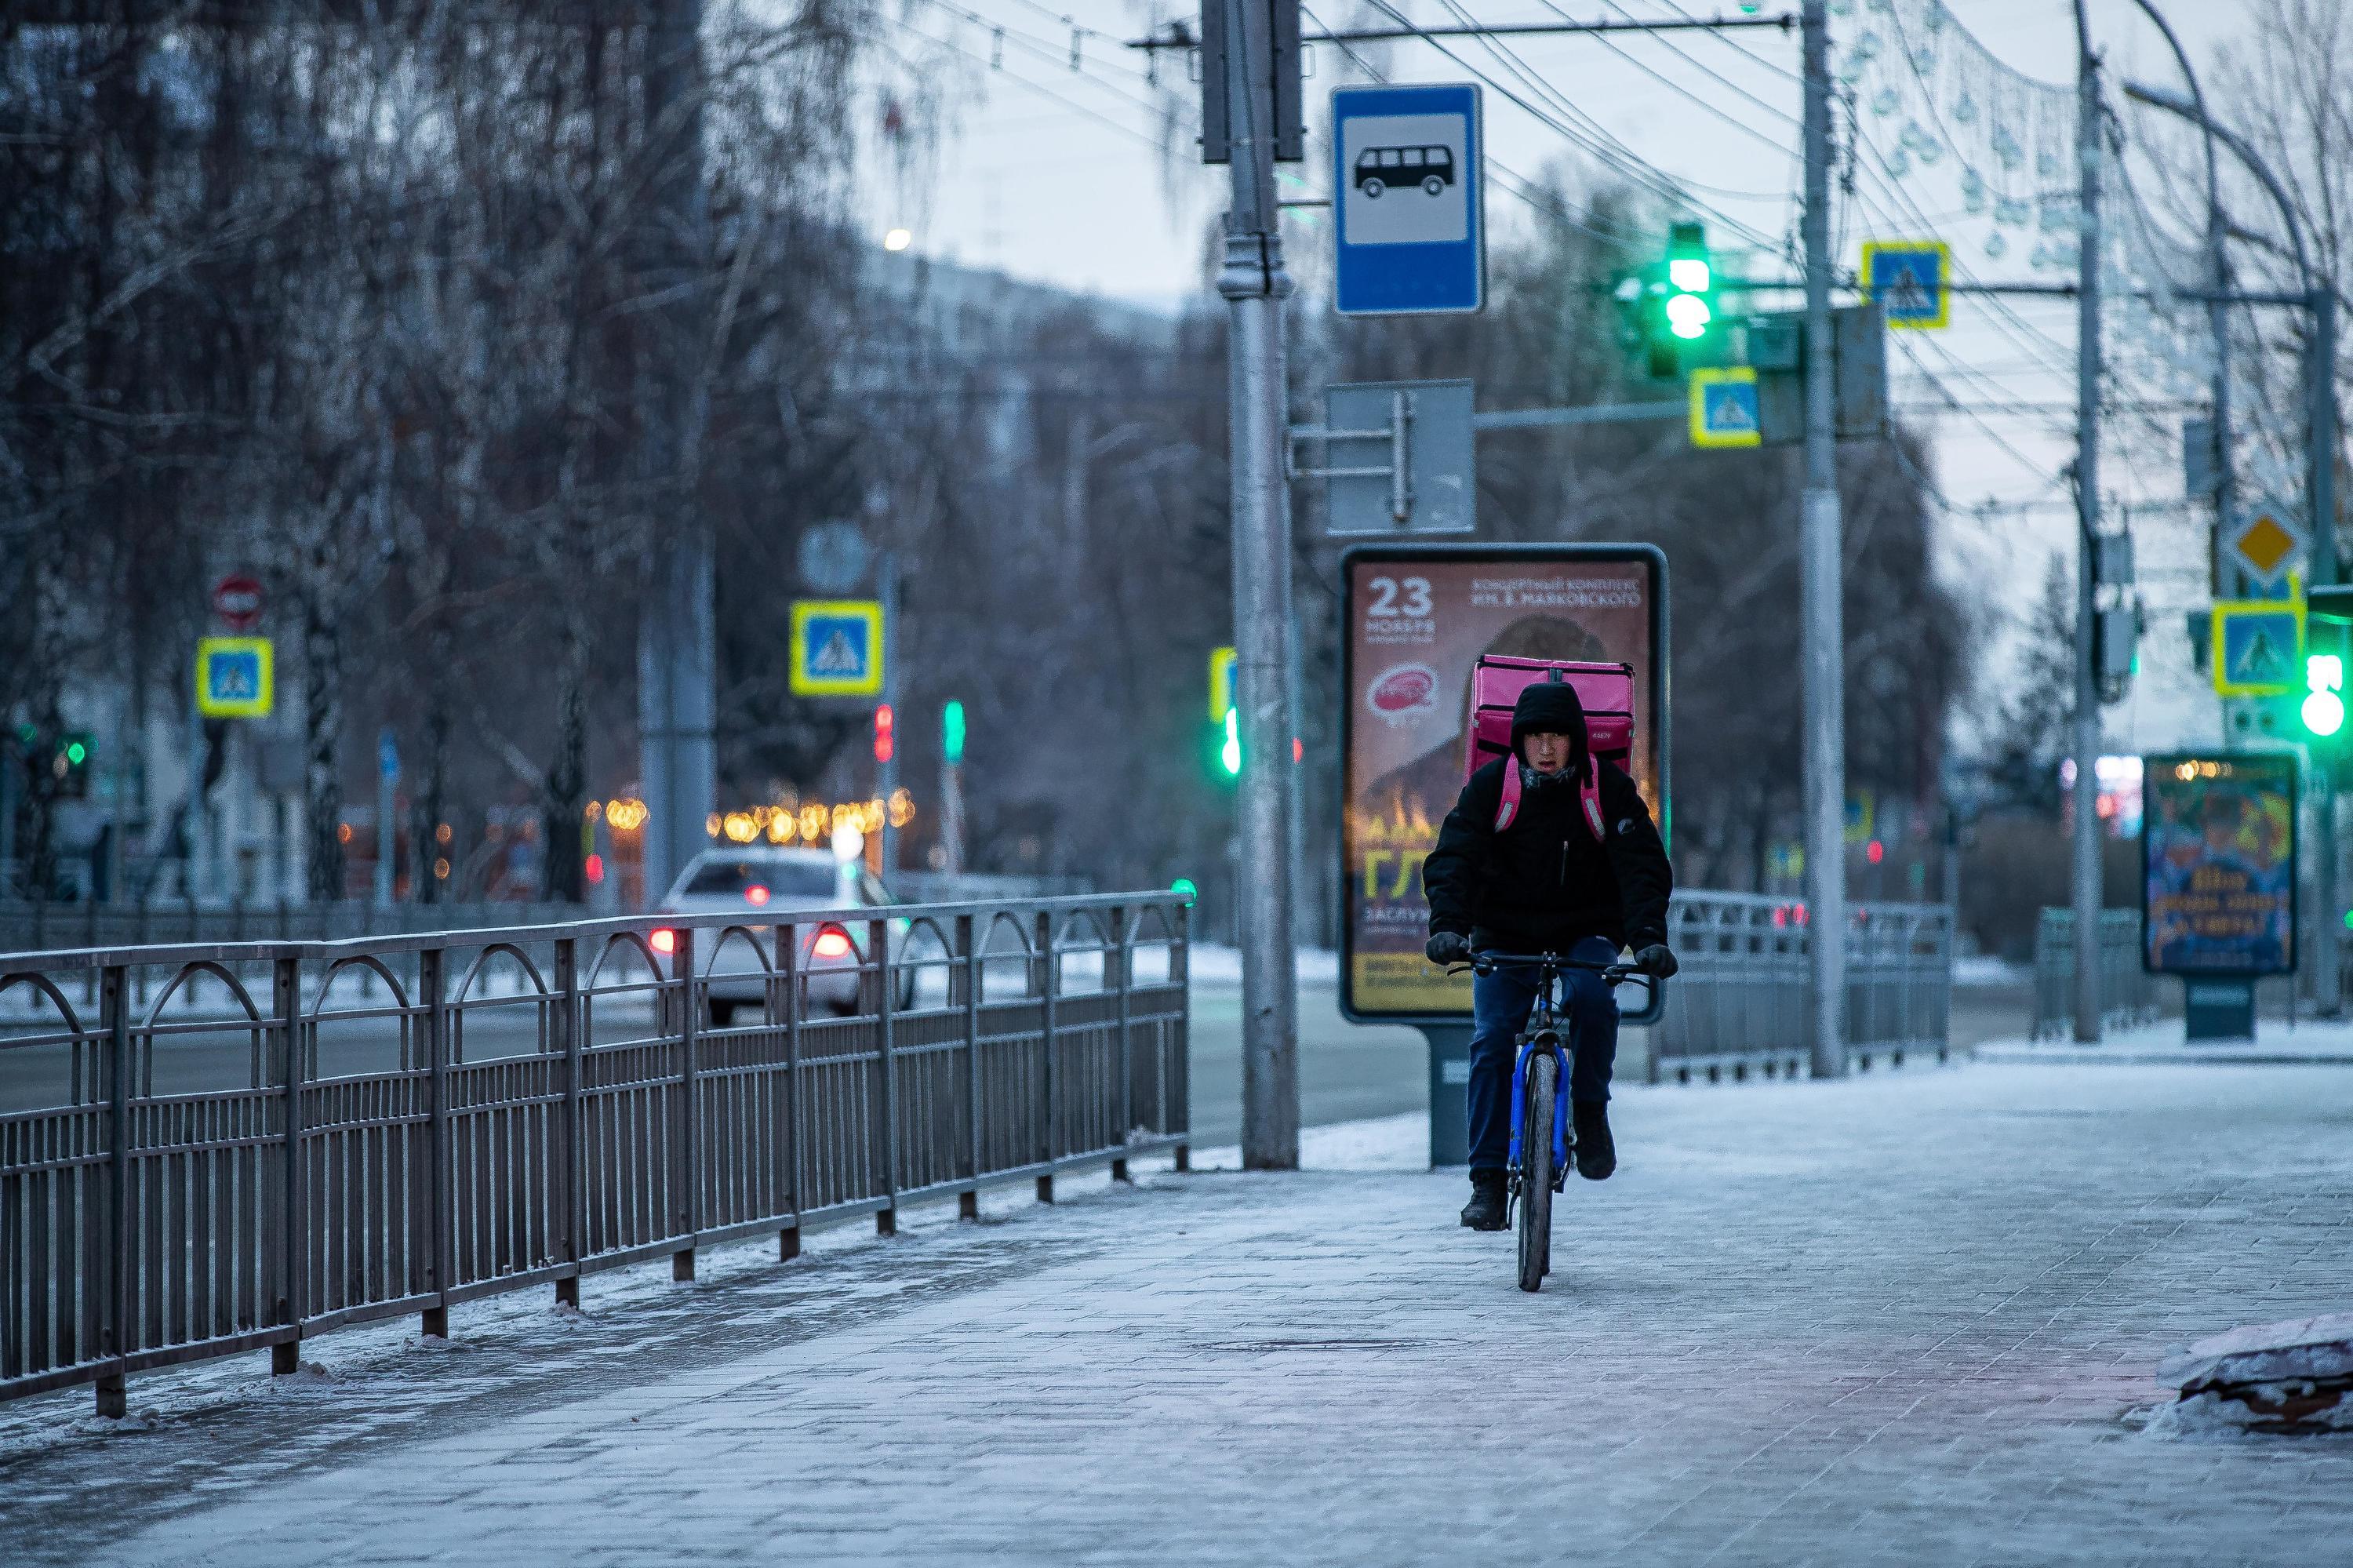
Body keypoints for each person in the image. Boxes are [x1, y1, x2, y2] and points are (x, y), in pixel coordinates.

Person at [1422, 677, 1675, 1231]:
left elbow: (1641, 868)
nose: (1545, 747)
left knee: (1592, 997)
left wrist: (1649, 936)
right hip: (1504, 933)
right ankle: (1486, 1182)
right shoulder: (1493, 788)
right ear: (1517, 739)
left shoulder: (1606, 790)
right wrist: (1449, 926)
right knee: (1491, 1039)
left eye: (1557, 736)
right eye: (1534, 735)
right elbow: (1454, 859)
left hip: (1585, 929)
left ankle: (1590, 1111)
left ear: (1576, 740)